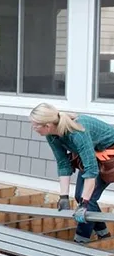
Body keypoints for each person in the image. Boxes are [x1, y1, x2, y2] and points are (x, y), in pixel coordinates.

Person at [29, 103, 114, 243]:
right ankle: (104, 235)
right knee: (79, 196)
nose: (33, 128)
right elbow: (63, 164)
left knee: (86, 199)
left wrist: (84, 204)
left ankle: (80, 241)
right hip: (93, 153)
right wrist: (63, 197)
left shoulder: (77, 132)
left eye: (35, 125)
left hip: (109, 155)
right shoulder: (52, 135)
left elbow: (91, 171)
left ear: (47, 125)